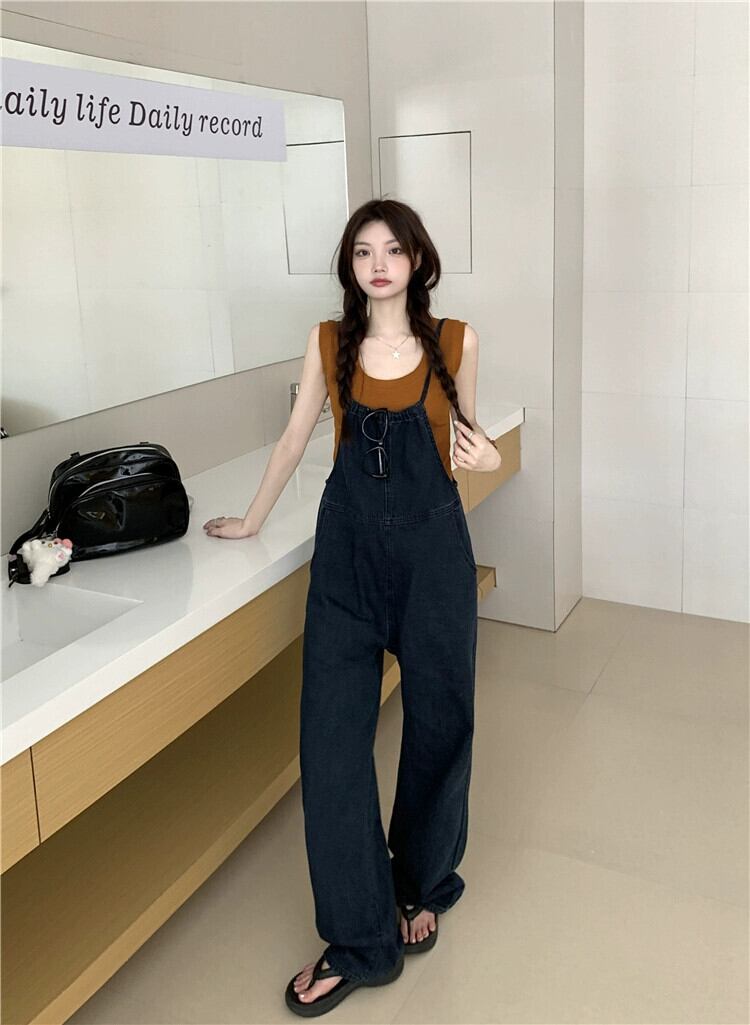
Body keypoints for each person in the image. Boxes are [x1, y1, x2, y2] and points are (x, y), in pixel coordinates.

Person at [203, 199, 501, 1016]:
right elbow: (295, 439)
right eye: (363, 251)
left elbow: (466, 444)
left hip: (433, 560)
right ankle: (361, 936)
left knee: (441, 724)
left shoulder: (458, 341)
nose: (378, 264)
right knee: (330, 744)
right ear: (350, 265)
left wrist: (488, 454)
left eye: (393, 250)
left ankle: (421, 882)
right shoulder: (329, 342)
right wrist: (251, 521)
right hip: (346, 564)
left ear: (417, 261)